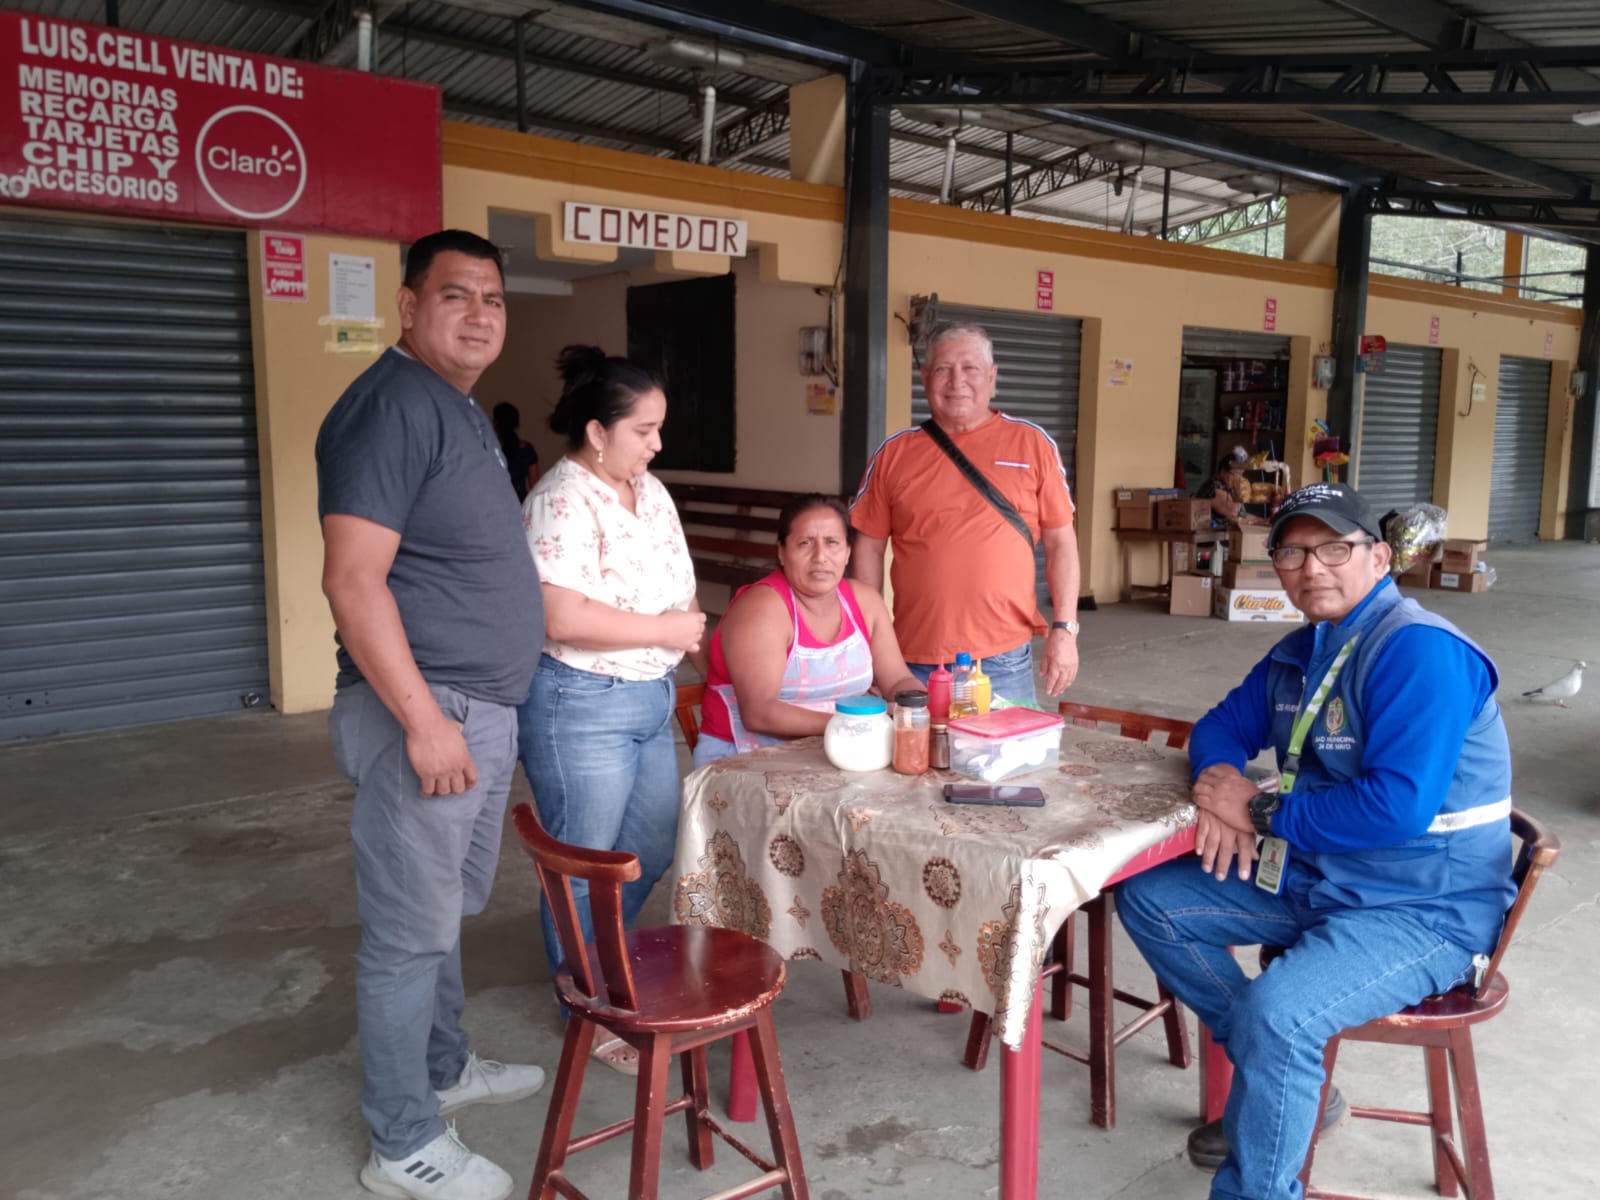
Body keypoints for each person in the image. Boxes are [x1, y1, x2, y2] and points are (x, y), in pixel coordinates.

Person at [1116, 482, 1515, 1200]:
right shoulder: (1302, 651)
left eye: (1335, 548)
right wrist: (1218, 782)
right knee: (1151, 901)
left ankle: (1264, 1142)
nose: (1311, 568)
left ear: (1380, 558)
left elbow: (1396, 808)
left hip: (1424, 907)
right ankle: (1282, 1075)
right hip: (1322, 875)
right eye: (1293, 553)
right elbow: (1220, 727)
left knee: (1278, 1017)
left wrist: (1259, 812)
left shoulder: (1419, 651)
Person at [317, 230, 546, 1200]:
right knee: (408, 936)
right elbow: (352, 579)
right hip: (429, 712)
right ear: (408, 306)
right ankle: (402, 1140)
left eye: (493, 298)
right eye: (456, 295)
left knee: (443, 913)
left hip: (474, 707)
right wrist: (423, 721)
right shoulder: (391, 408)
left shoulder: (452, 405)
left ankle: (444, 1067)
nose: (480, 314)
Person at [516, 345, 706, 1074]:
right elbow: (560, 616)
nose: (657, 444)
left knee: (650, 845)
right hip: (580, 701)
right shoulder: (561, 500)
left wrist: (686, 638)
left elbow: (679, 581)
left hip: (649, 695)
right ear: (598, 432)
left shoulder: (648, 491)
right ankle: (588, 1011)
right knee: (584, 862)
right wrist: (664, 630)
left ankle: (593, 960)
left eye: (659, 428)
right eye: (643, 430)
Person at [849, 321, 1081, 705]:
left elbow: (1061, 545)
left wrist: (1065, 630)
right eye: (943, 369)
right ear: (925, 378)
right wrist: (871, 641)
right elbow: (868, 549)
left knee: (1006, 746)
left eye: (970, 368)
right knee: (912, 747)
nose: (957, 381)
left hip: (1002, 659)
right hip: (909, 660)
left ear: (992, 376)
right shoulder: (894, 453)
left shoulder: (1032, 444)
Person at [694, 494, 924, 767]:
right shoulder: (762, 608)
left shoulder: (865, 602)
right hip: (745, 759)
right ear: (782, 552)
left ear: (847, 552)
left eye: (832, 542)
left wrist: (913, 706)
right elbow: (759, 713)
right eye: (805, 543)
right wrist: (854, 724)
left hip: (838, 752)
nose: (820, 557)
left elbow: (897, 679)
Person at [1198, 447, 1265, 525]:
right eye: (1236, 474)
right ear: (1223, 472)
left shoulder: (1228, 487)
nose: (1239, 478)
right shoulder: (1213, 487)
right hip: (1211, 531)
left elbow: (1242, 515)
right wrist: (1240, 489)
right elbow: (1234, 511)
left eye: (1241, 475)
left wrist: (1261, 520)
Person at [491, 401, 540, 501]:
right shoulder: (526, 450)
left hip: (494, 502)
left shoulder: (490, 449)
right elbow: (535, 486)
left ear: (495, 423)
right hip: (519, 503)